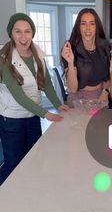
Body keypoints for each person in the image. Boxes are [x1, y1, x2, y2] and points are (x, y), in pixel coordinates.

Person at [0, 12, 69, 184]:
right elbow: (18, 96)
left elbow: (46, 84)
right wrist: (46, 114)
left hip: (32, 119)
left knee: (34, 161)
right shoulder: (4, 59)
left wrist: (59, 105)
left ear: (32, 33)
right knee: (14, 166)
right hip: (12, 120)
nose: (23, 37)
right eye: (18, 31)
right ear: (11, 34)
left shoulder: (38, 55)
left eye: (27, 31)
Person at [61, 8, 111, 107]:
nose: (88, 28)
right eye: (83, 23)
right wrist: (70, 63)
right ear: (78, 27)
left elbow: (109, 76)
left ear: (97, 26)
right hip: (77, 100)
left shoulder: (105, 46)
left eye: (92, 23)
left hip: (101, 97)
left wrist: (105, 92)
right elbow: (72, 88)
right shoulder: (70, 48)